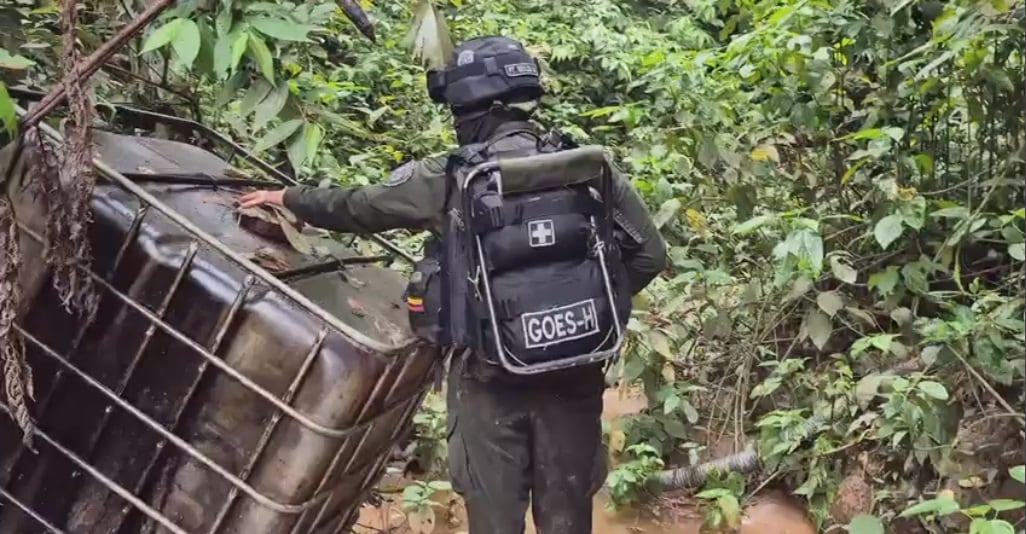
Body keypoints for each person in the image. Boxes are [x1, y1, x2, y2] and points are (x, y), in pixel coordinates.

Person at [238, 35, 667, 534]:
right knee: (568, 516)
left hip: (489, 382)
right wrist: (584, 311)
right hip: (575, 373)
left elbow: (360, 206)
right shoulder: (588, 166)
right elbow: (650, 254)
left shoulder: (451, 176)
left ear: (467, 106)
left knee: (494, 518)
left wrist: (290, 197)